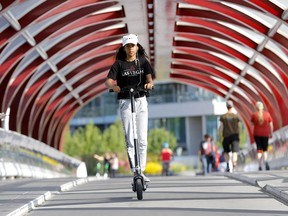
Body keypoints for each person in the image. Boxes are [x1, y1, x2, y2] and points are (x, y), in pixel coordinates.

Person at [105, 34, 154, 182]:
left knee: (142, 138)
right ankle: (135, 171)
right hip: (126, 101)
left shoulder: (143, 62)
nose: (131, 48)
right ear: (124, 48)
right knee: (130, 138)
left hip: (140, 100)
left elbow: (149, 79)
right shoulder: (118, 64)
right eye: (128, 46)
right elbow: (107, 82)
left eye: (133, 45)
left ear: (137, 46)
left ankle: (142, 170)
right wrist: (114, 87)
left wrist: (149, 85)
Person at [218, 100, 241, 173]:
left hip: (226, 136)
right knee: (235, 151)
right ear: (232, 106)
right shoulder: (236, 116)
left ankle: (228, 164)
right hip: (234, 136)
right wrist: (238, 135)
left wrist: (220, 136)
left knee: (226, 151)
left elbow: (221, 127)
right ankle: (234, 164)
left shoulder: (223, 116)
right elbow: (239, 126)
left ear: (226, 107)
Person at [251, 101, 273, 171]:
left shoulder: (254, 115)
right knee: (265, 149)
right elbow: (271, 125)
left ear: (256, 107)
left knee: (259, 149)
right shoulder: (267, 114)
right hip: (265, 134)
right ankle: (266, 161)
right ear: (262, 107)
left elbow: (251, 125)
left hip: (257, 134)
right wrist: (271, 133)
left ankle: (260, 165)